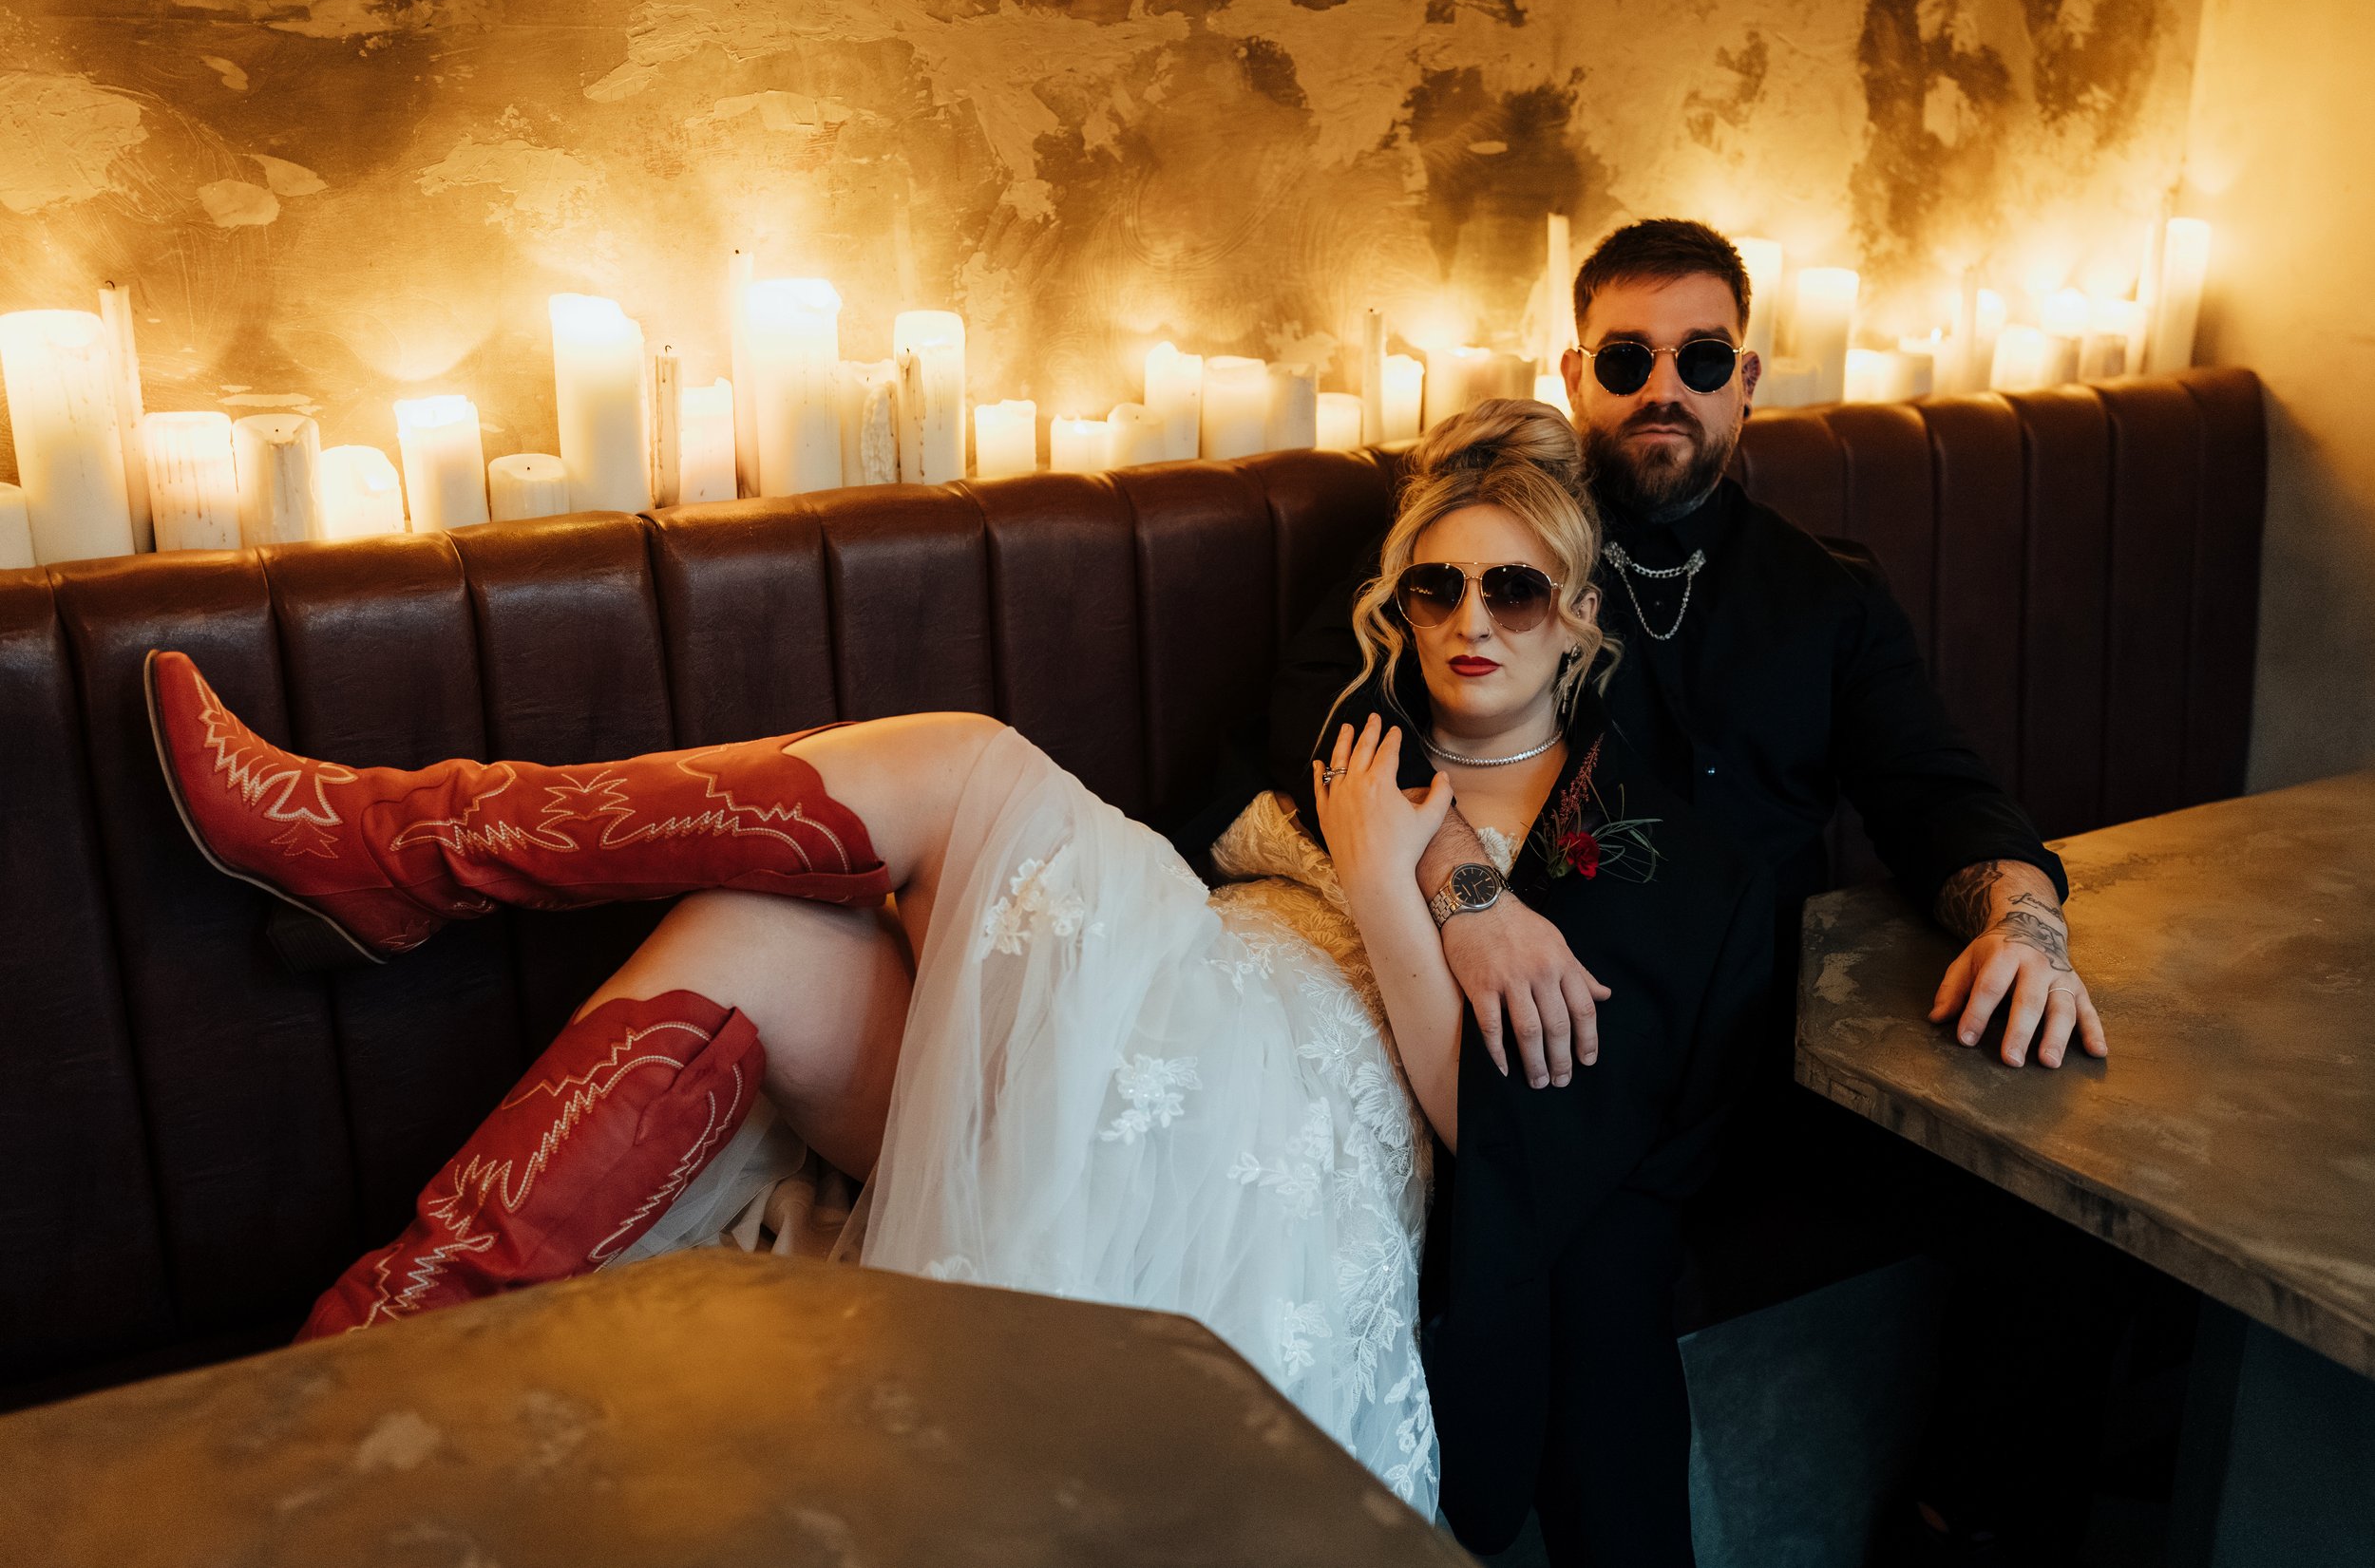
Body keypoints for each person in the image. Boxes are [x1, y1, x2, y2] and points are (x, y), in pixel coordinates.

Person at [142, 401, 1769, 1539]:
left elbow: (1524, 1153)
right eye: (1436, 585)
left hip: (1292, 1154)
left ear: (1580, 624)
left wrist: (1405, 891)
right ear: (1397, 607)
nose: (1470, 619)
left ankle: (407, 851)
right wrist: (1370, 832)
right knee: (755, 940)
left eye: (1515, 590)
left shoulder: (1633, 846)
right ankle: (362, 1363)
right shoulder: (1350, 739)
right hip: (1153, 1047)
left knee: (972, 761)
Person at [1268, 218, 2117, 1560]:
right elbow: (1322, 705)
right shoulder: (1508, 547)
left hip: (1768, 1036)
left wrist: (2025, 918)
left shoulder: (1824, 597)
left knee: (2074, 1215)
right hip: (1578, 1038)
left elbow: (1936, 787)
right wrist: (1463, 884)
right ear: (1578, 373)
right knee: (1602, 1258)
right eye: (1628, 356)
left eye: (1701, 355)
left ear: (1748, 378)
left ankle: (1968, 1516)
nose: (1665, 383)